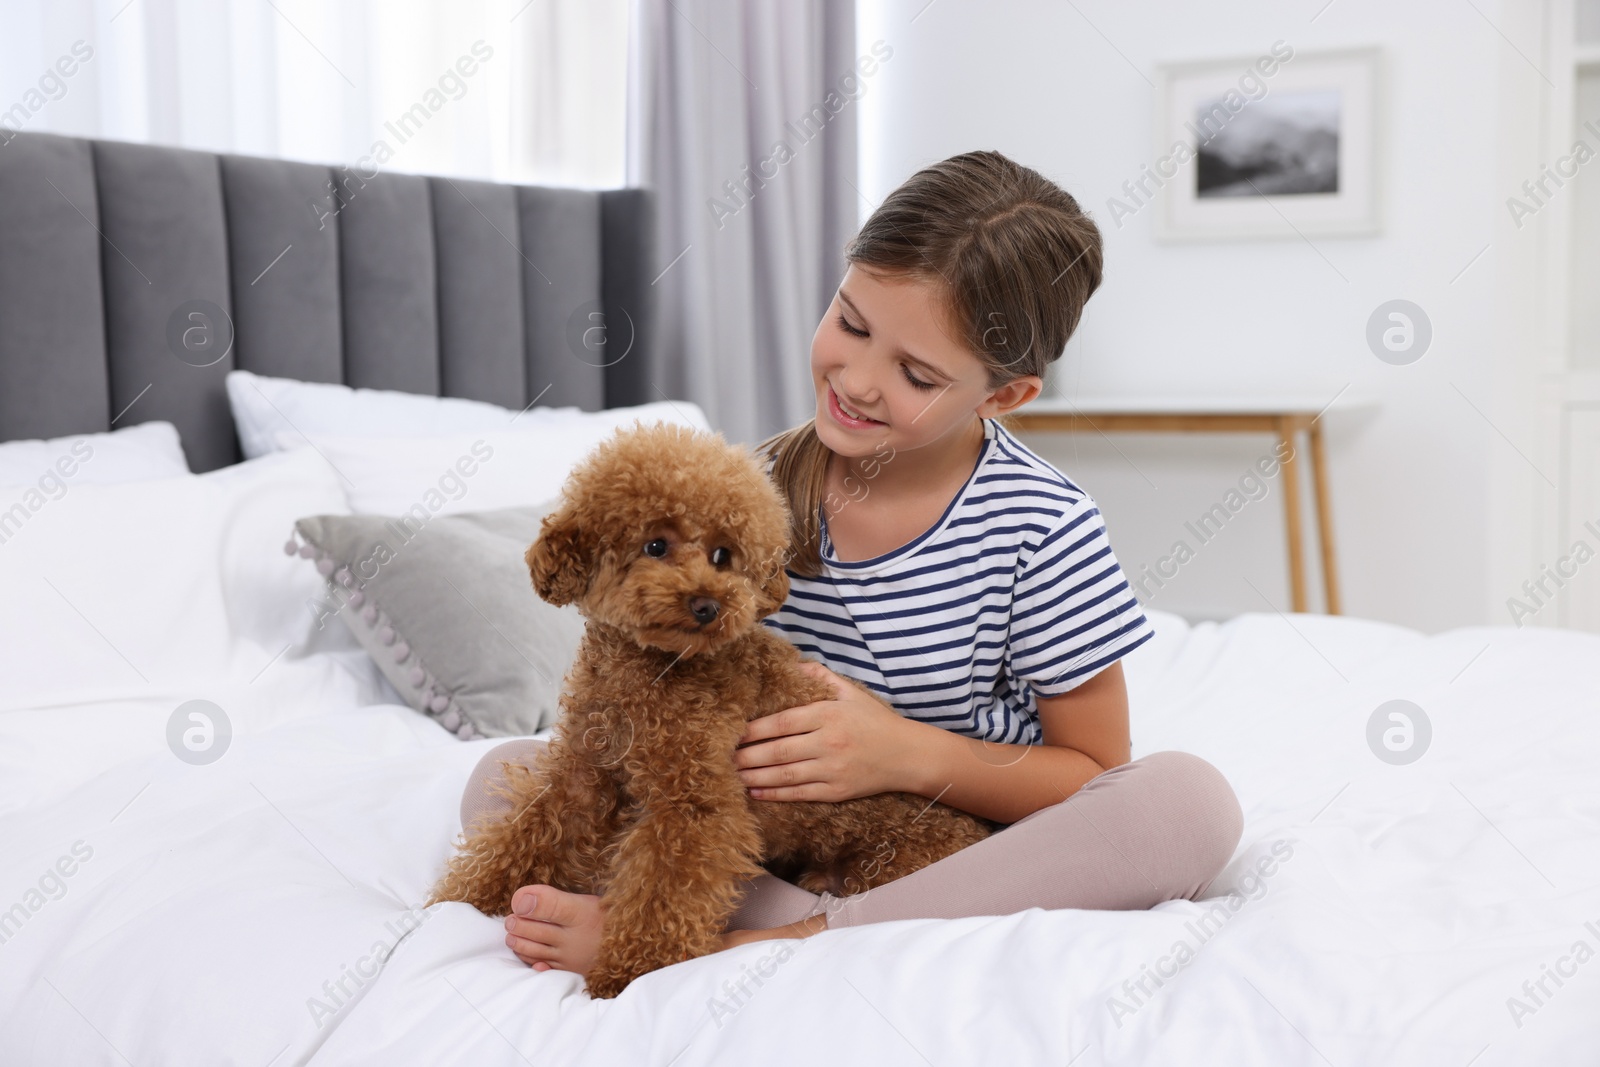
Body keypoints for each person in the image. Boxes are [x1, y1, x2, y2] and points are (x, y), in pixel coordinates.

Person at [460, 150, 1244, 976]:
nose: (858, 381)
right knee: (505, 775)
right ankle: (802, 923)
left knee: (1186, 804)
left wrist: (905, 752)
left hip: (956, 847)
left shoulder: (1042, 525)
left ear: (1001, 394)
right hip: (751, 834)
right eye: (852, 323)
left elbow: (1089, 774)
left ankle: (786, 938)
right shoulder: (745, 500)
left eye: (915, 373)